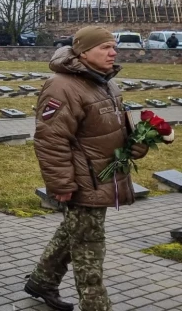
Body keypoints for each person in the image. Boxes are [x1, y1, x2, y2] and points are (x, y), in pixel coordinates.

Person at [26, 26, 148, 311]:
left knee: (74, 232)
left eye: (113, 46)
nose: (113, 52)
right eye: (105, 47)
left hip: (103, 176)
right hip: (83, 182)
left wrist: (136, 142)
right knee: (89, 247)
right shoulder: (61, 86)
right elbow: (50, 140)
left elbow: (113, 126)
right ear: (84, 51)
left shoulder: (107, 82)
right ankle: (96, 305)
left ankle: (42, 281)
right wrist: (61, 184)